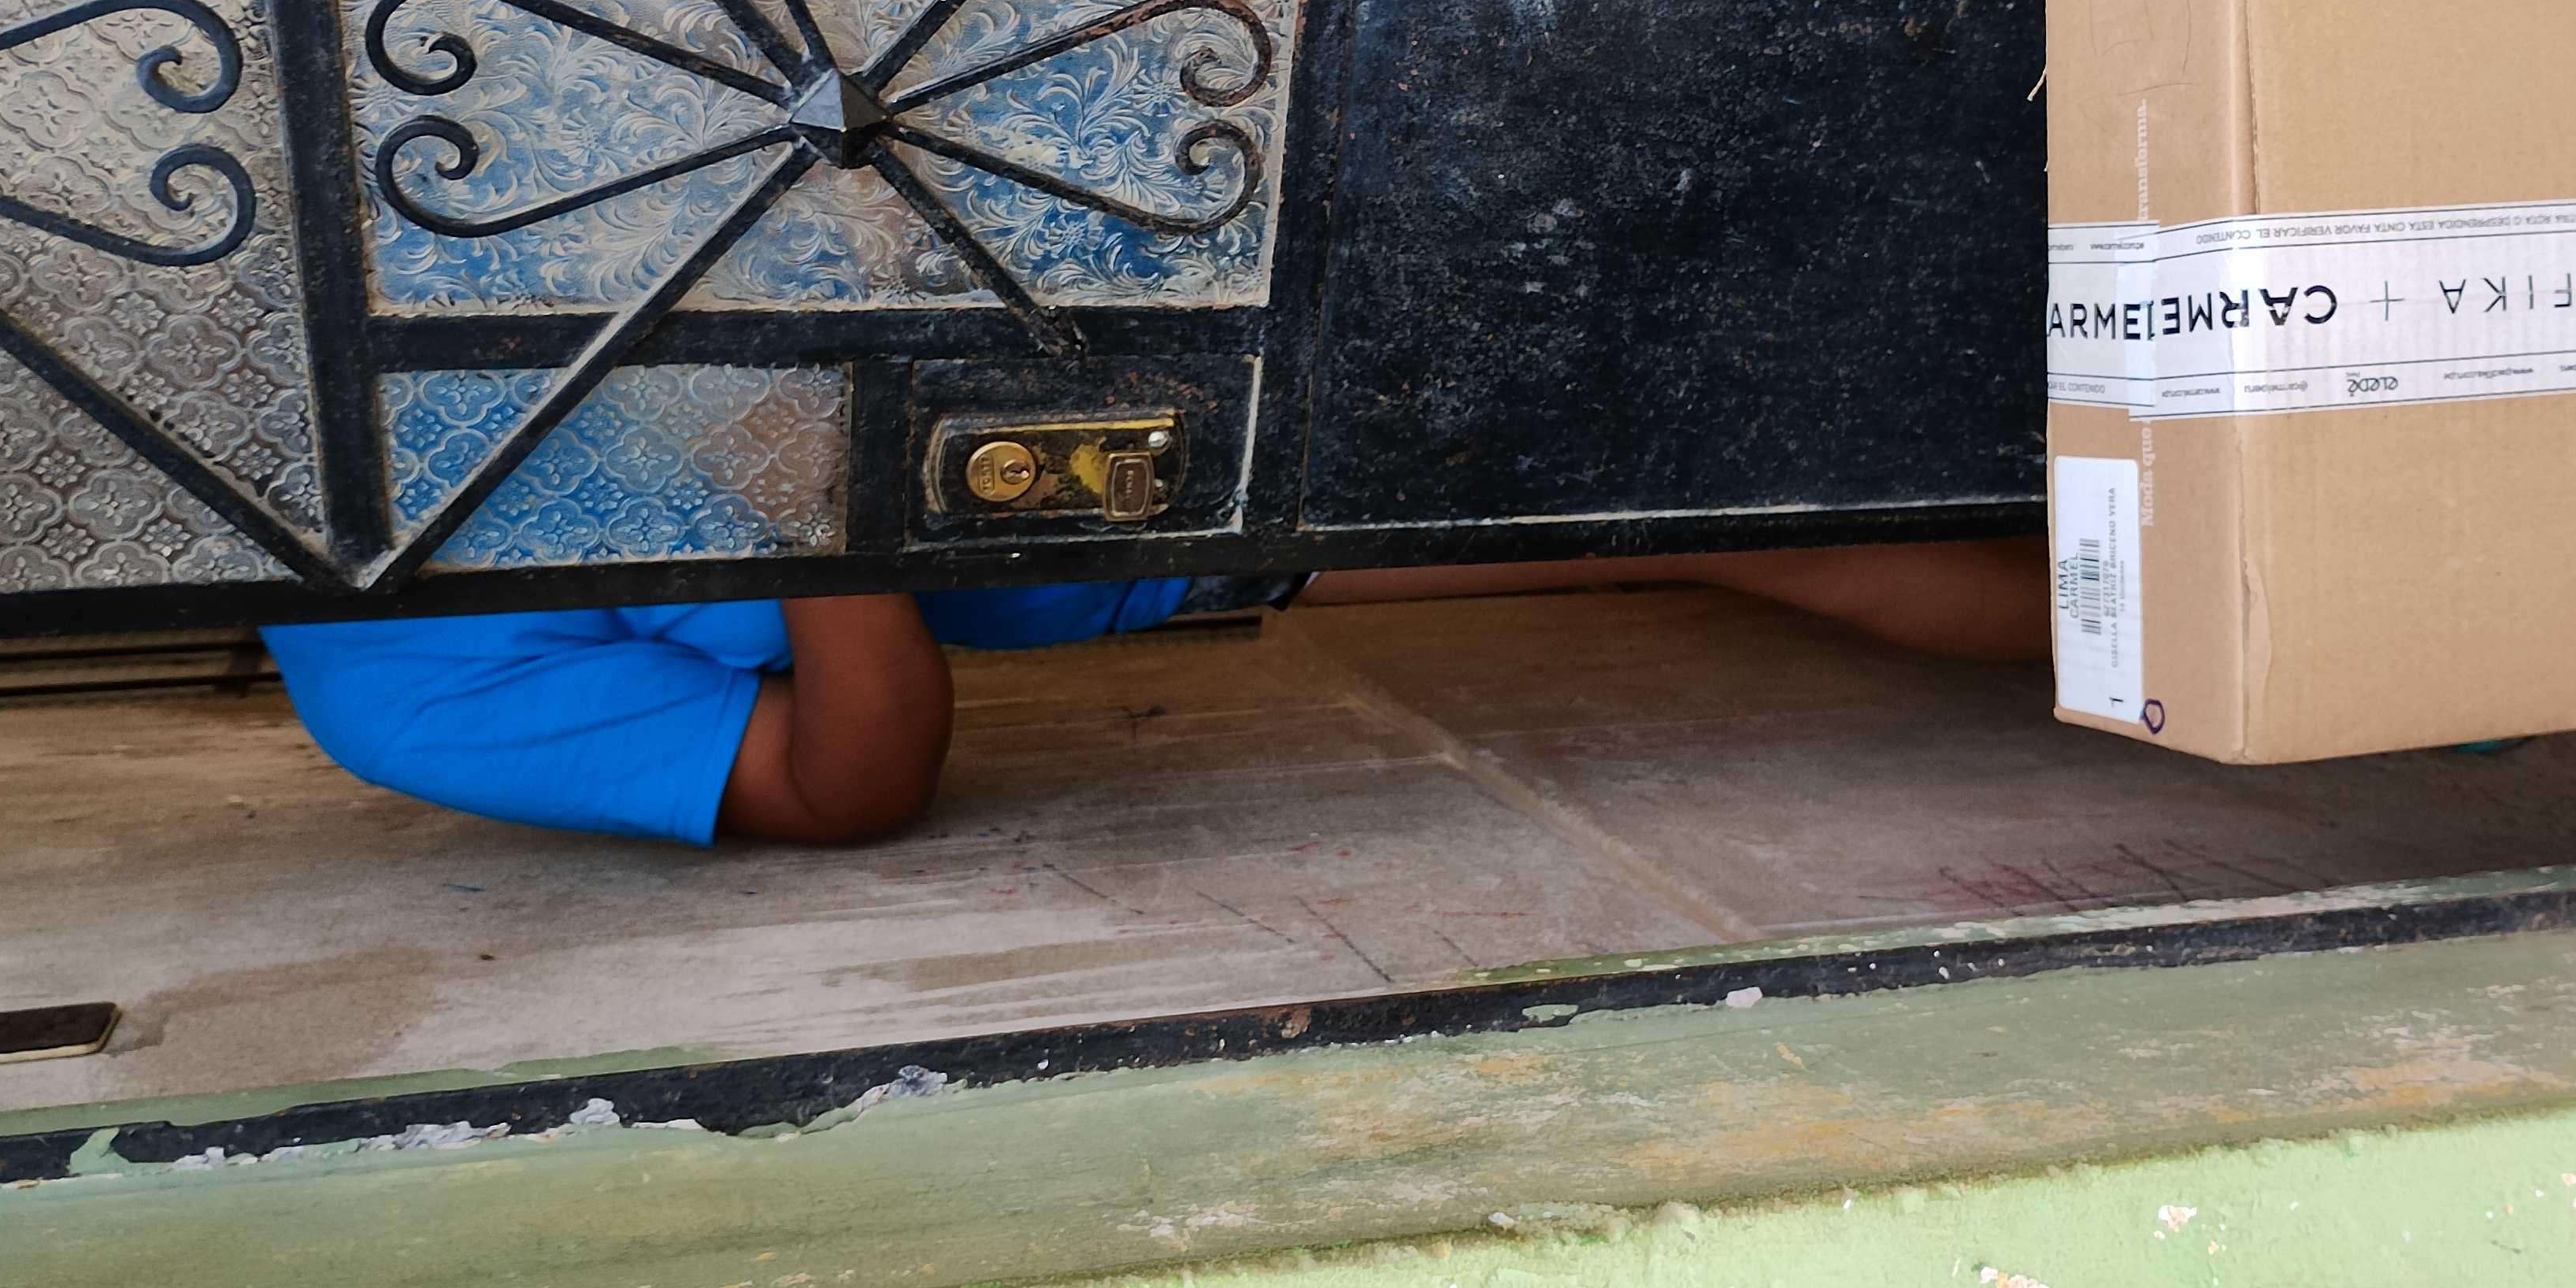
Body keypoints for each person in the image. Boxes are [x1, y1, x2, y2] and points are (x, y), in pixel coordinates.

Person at [261, 542, 2047, 847]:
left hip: (1173, 191)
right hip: (1192, 512)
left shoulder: (413, 199)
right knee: (1758, 536)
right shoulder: (396, 690)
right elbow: (839, 784)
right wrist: (817, 505)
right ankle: (2201, 637)